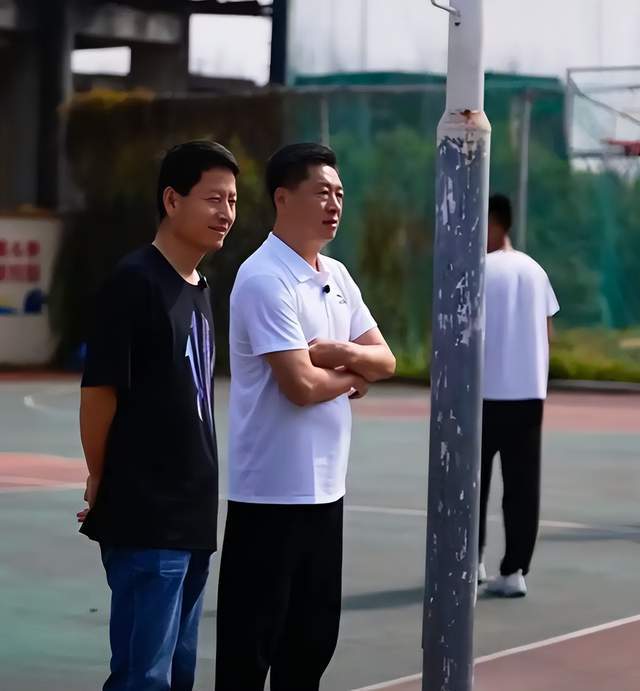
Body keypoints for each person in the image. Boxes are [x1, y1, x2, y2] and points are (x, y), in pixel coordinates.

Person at [214, 142, 396, 691]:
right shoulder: (264, 277)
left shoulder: (336, 275)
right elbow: (300, 386)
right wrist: (353, 378)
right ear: (283, 198)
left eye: (339, 193)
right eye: (321, 192)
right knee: (249, 653)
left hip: (326, 493)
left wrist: (340, 354)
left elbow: (386, 360)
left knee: (311, 645)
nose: (334, 204)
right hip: (269, 495)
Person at [77, 140, 239, 690]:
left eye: (232, 201)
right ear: (172, 200)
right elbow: (99, 392)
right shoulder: (134, 282)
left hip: (192, 521)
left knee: (178, 674)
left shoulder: (200, 288)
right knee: (143, 678)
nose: (226, 213)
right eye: (213, 198)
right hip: (147, 519)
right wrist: (99, 474)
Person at [478, 193, 559, 598]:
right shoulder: (535, 271)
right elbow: (548, 332)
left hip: (479, 395)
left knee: (470, 483)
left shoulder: (475, 269)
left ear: (493, 224)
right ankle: (514, 572)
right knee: (523, 487)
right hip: (528, 395)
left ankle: (469, 562)